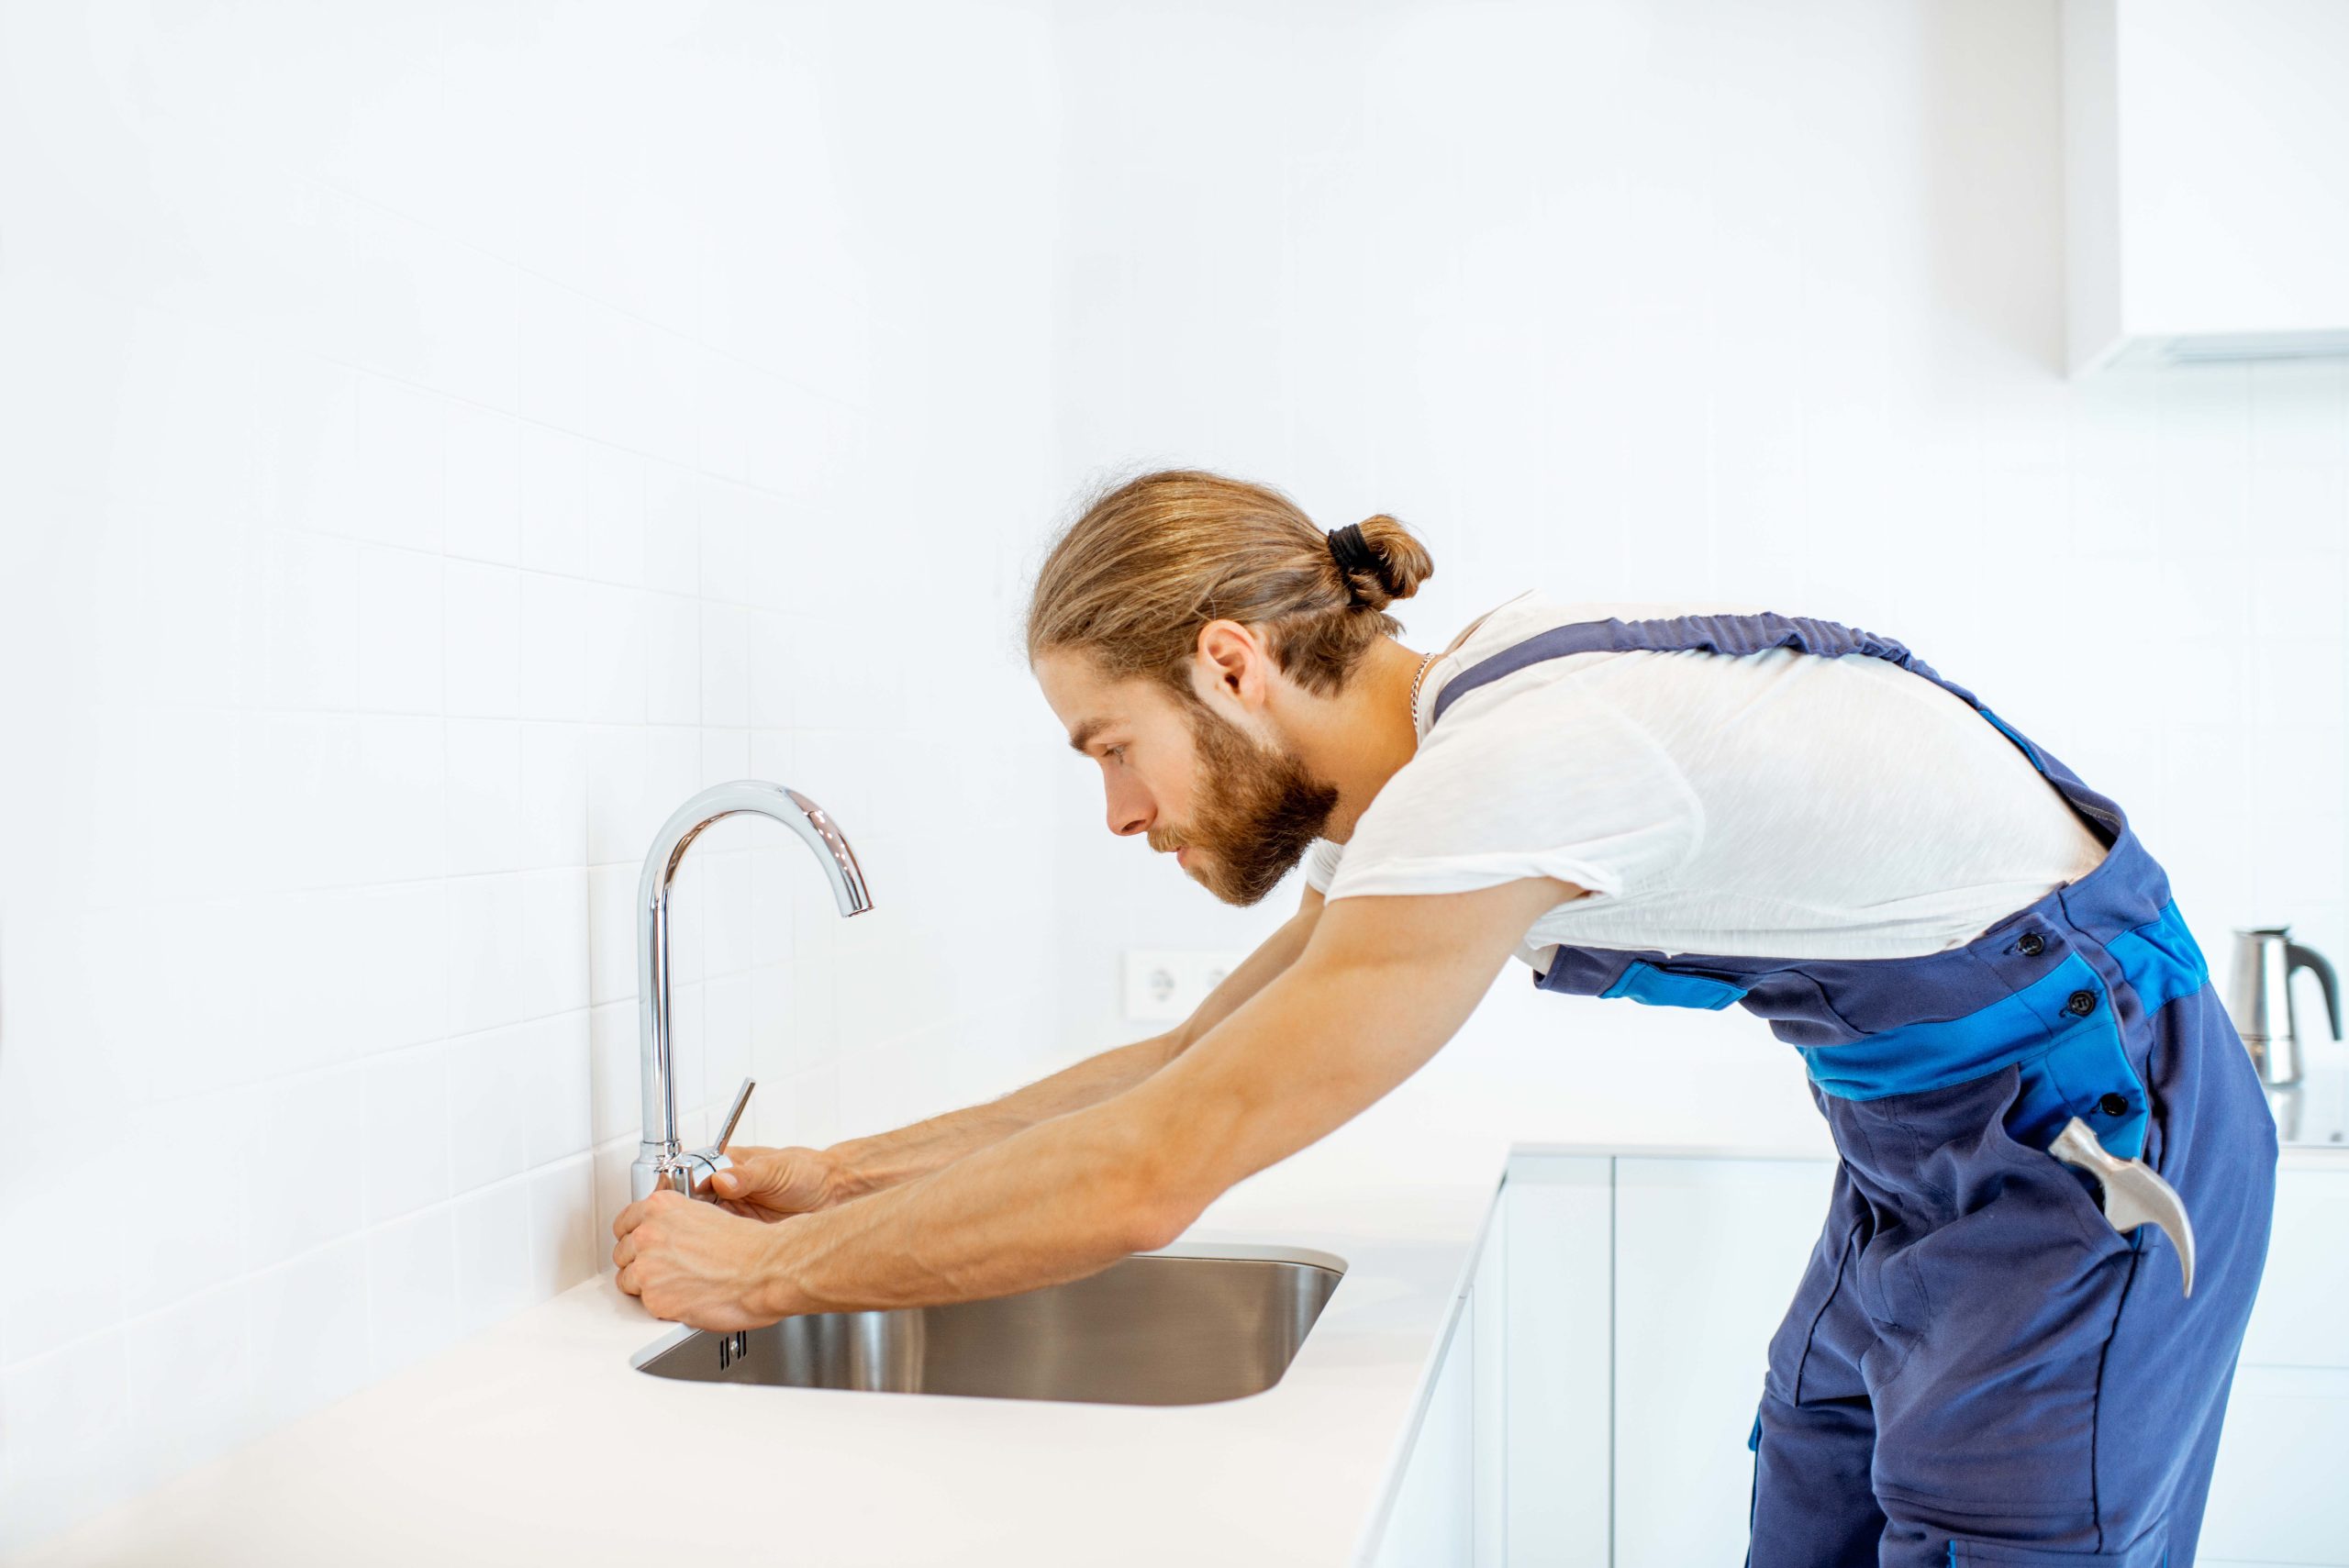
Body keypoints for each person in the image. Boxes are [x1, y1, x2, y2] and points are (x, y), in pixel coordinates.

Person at [612, 468, 2275, 1567]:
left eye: (1110, 745)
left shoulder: (1512, 766)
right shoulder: (1463, 740)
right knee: (1814, 1500)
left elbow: (1157, 1168)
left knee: (2004, 1538)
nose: (1119, 813)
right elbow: (1185, 1062)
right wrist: (836, 1181)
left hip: (2099, 1135)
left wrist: (755, 1277)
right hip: (1928, 1147)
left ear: (1230, 665)